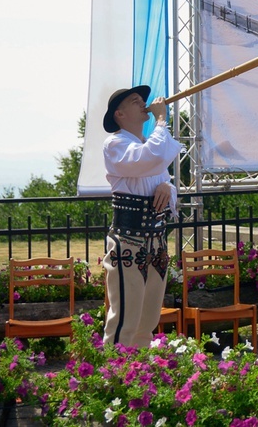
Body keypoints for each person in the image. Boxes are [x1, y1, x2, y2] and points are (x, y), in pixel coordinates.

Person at [101, 85, 183, 347]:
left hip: (155, 242)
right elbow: (150, 158)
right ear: (119, 115)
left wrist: (166, 187)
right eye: (134, 101)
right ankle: (113, 377)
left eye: (141, 100)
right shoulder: (115, 143)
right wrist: (161, 120)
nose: (142, 103)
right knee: (126, 317)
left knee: (147, 320)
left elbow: (165, 187)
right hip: (129, 242)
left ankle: (140, 377)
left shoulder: (147, 146)